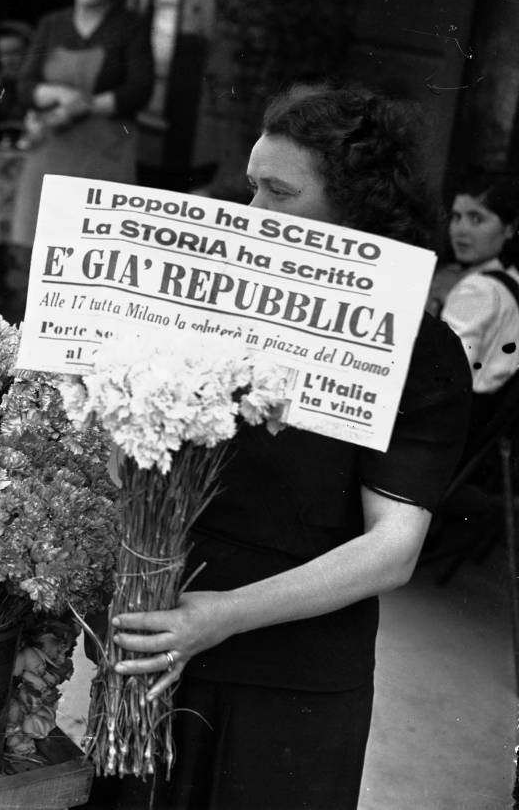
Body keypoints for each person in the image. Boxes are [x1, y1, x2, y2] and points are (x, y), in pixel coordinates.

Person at [102, 83, 472, 810]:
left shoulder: (421, 350)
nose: (251, 215)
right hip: (167, 647)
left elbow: (392, 549)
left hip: (289, 685)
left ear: (355, 208)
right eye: (250, 189)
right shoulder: (209, 312)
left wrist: (221, 616)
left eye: (279, 193)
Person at [6, 0, 153, 322]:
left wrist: (82, 105)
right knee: (37, 244)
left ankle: (80, 328)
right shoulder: (52, 24)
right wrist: (54, 92)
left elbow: (140, 88)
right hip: (52, 150)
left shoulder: (129, 26)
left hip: (105, 151)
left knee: (94, 250)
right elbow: (24, 86)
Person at [438, 173, 519, 404]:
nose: (460, 230)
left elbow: (446, 378)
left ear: (509, 228)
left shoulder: (478, 289)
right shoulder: (511, 281)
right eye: (456, 217)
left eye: (476, 219)